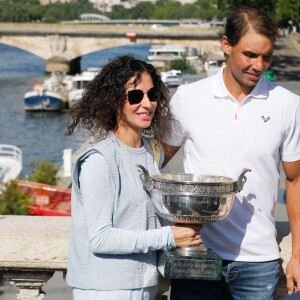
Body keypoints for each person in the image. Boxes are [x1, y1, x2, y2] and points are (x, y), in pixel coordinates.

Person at [162, 7, 300, 300]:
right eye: (250, 54)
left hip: (258, 263)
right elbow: (154, 162)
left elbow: (295, 182)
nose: (258, 65)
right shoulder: (188, 97)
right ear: (227, 45)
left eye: (266, 57)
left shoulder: (288, 105)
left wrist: (298, 255)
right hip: (195, 254)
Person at [65, 55, 202, 300]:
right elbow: (100, 238)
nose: (147, 104)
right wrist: (169, 235)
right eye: (136, 96)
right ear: (114, 100)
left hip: (143, 287)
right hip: (105, 289)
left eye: (152, 95)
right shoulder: (99, 159)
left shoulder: (150, 153)